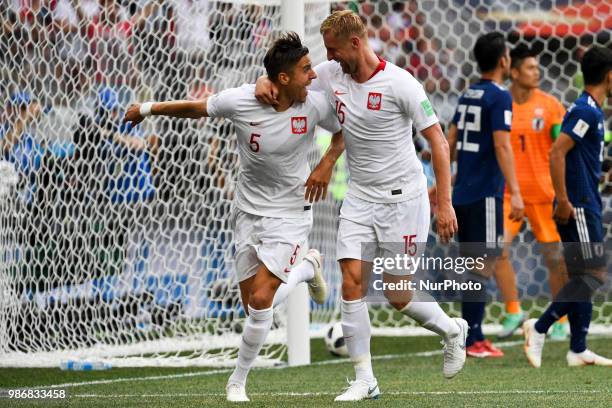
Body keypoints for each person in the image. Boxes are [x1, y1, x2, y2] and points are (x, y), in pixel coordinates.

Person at [257, 11, 467, 401]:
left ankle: (452, 330)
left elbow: (438, 141)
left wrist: (445, 204)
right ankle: (364, 379)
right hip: (359, 196)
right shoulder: (332, 73)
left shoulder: (401, 84)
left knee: (397, 296)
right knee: (351, 283)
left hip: (404, 200)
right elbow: (291, 75)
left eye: (334, 49)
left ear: (355, 43)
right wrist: (262, 82)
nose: (329, 57)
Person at [123, 32, 338, 402]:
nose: (313, 76)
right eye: (305, 70)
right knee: (253, 305)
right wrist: (148, 109)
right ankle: (306, 268)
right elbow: (197, 107)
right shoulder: (242, 100)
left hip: (291, 213)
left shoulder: (314, 106)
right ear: (282, 78)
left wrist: (327, 165)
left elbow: (349, 129)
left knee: (260, 299)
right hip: (247, 212)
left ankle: (237, 381)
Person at [523, 46, 612, 368]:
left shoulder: (591, 111)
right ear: (609, 76)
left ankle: (578, 348)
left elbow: (580, 157)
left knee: (581, 274)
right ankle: (540, 326)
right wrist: (563, 199)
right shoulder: (585, 111)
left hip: (584, 198)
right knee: (595, 273)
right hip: (578, 204)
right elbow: (557, 152)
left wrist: (605, 168)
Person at [448, 32, 524, 358]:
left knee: (476, 263)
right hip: (484, 193)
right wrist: (516, 192)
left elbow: (449, 138)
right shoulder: (499, 96)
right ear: (504, 60)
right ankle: (473, 337)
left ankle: (471, 334)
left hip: (462, 191)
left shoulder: (468, 93)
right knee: (483, 263)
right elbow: (502, 144)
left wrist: (443, 181)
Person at [494, 44, 569, 340]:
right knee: (496, 249)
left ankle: (561, 319)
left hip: (544, 194)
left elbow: (561, 149)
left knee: (554, 258)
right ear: (513, 72)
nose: (537, 72)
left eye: (537, 68)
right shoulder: (500, 103)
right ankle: (514, 311)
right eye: (530, 68)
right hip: (508, 194)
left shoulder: (550, 106)